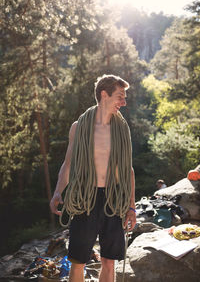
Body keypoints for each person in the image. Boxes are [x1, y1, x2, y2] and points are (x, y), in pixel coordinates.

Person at [50, 74, 136, 282]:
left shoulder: (121, 129)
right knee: (78, 260)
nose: (124, 103)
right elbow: (68, 165)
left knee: (109, 261)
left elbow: (128, 170)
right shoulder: (79, 127)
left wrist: (131, 206)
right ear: (104, 95)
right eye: (120, 97)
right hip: (84, 199)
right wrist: (58, 192)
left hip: (114, 199)